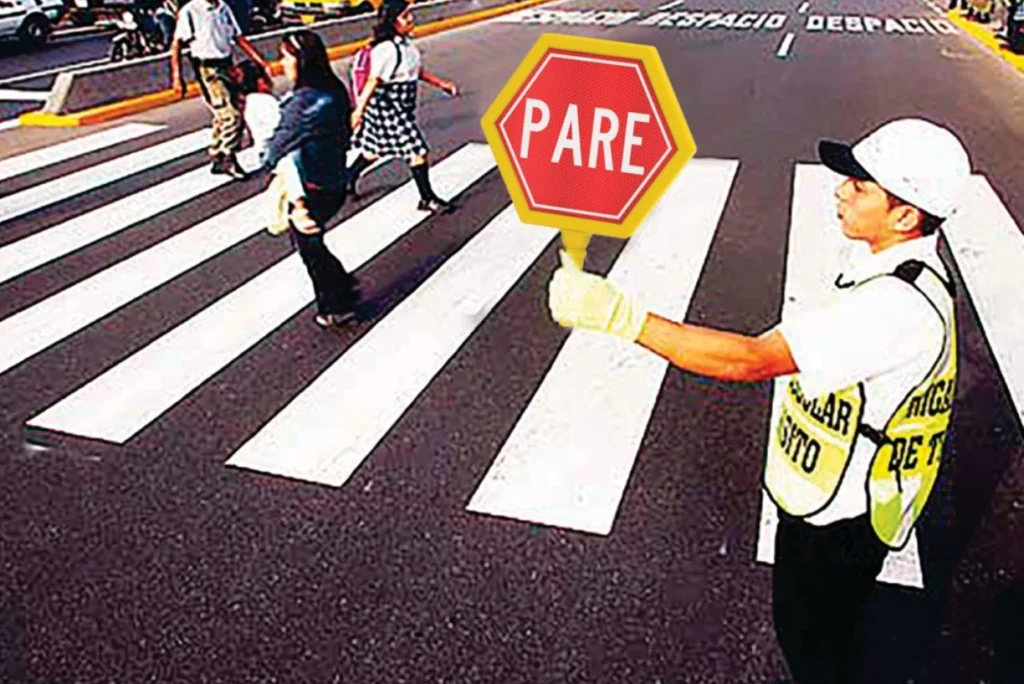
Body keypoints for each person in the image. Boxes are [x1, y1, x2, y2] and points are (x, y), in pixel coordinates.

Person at [547, 118, 972, 684]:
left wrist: (618, 316)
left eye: (861, 186)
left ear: (905, 216)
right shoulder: (900, 267)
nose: (840, 189)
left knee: (810, 636)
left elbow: (748, 360)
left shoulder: (894, 307)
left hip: (843, 516)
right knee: (827, 626)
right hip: (851, 494)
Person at [260, 30, 361, 328]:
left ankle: (337, 303)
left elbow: (271, 153)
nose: (282, 63)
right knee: (312, 244)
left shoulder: (302, 103)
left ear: (301, 61)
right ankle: (340, 292)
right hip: (335, 180)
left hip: (311, 187)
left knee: (310, 248)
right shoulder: (335, 89)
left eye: (286, 56)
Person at [346, 0, 459, 214]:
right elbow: (373, 81)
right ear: (393, 22)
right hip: (386, 105)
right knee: (417, 151)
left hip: (400, 103)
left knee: (374, 150)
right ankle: (427, 198)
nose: (411, 19)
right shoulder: (386, 49)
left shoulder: (407, 46)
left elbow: (416, 71)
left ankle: (348, 178)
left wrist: (441, 83)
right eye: (405, 16)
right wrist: (359, 111)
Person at [169, 0, 271, 179]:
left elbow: (238, 37)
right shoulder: (192, 10)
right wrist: (177, 77)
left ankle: (217, 154)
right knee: (231, 115)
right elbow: (176, 44)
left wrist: (260, 61)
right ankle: (228, 157)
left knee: (224, 113)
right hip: (207, 69)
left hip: (226, 64)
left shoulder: (223, 8)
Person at [231, 60, 315, 234]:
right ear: (261, 82)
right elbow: (282, 127)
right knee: (292, 164)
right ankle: (300, 206)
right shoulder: (263, 101)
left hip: (268, 149)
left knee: (288, 171)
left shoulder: (254, 100)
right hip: (274, 149)